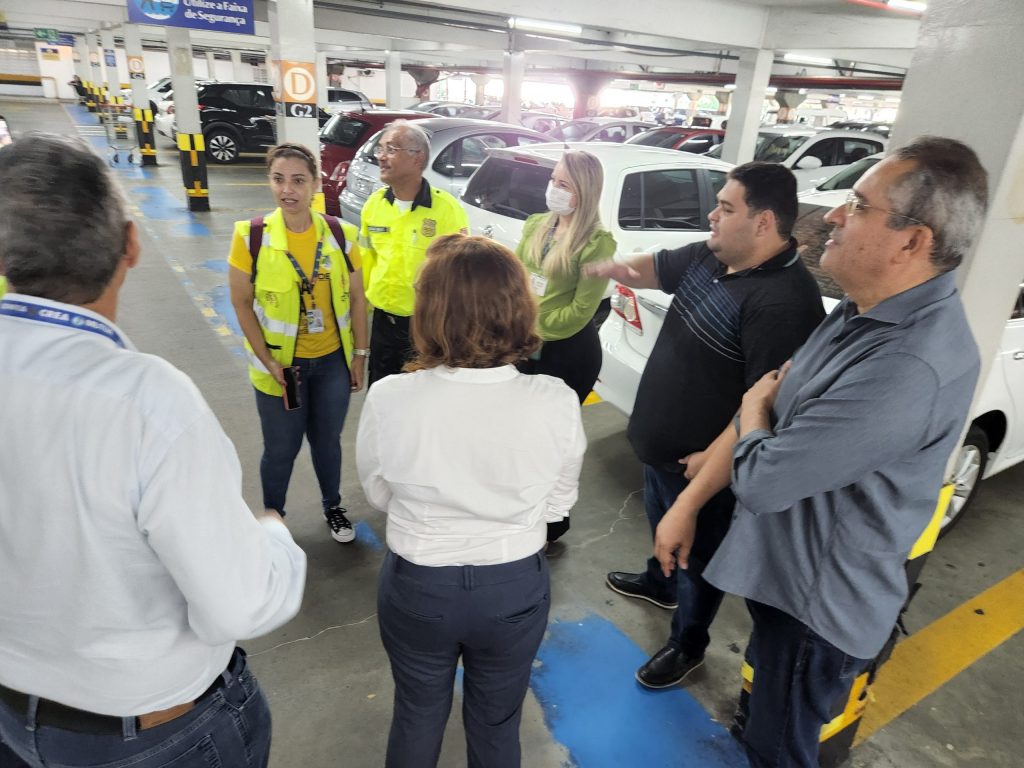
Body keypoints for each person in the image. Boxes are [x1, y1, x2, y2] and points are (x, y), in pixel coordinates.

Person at [654, 137, 989, 767]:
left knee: (781, 750)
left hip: (817, 611)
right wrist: (690, 502)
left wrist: (753, 412)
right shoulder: (861, 313)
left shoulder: (907, 365)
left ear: (912, 241)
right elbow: (766, 407)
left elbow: (764, 476)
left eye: (858, 206)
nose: (832, 214)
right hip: (783, 585)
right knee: (764, 721)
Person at [0, 134, 306, 767]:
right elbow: (239, 604)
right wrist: (273, 535)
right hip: (151, 734)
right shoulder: (144, 400)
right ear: (131, 246)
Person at [587, 162, 825, 689]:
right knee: (662, 530)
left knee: (697, 559)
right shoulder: (713, 255)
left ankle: (687, 643)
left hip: (704, 471)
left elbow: (759, 404)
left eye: (726, 207)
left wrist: (707, 470)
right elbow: (650, 269)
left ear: (763, 223)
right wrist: (602, 266)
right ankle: (658, 581)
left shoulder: (785, 303)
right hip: (661, 449)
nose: (712, 215)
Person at [356, 235, 585, 768]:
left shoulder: (392, 397)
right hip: (513, 587)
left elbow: (378, 492)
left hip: (418, 585)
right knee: (497, 721)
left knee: (416, 712)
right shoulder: (554, 399)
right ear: (518, 307)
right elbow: (558, 507)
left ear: (429, 311)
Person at [228, 142, 369, 543]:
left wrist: (359, 355)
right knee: (280, 449)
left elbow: (358, 298)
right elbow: (241, 304)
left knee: (328, 442)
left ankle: (333, 506)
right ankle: (273, 518)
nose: (287, 189)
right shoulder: (250, 237)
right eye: (278, 179)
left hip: (331, 364)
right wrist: (269, 361)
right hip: (280, 370)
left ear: (315, 184)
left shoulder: (341, 235)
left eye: (298, 181)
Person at [357, 120, 469, 385]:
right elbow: (366, 261)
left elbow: (459, 279)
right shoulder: (374, 205)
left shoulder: (447, 210)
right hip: (383, 324)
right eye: (381, 149)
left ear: (417, 158)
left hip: (426, 328)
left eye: (391, 149)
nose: (381, 157)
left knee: (422, 399)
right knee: (381, 392)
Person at [515, 149, 615, 404]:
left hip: (565, 352)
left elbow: (582, 310)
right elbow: (515, 278)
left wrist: (533, 328)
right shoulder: (537, 224)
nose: (553, 188)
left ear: (583, 191)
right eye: (552, 180)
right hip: (525, 343)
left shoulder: (596, 243)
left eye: (563, 184)